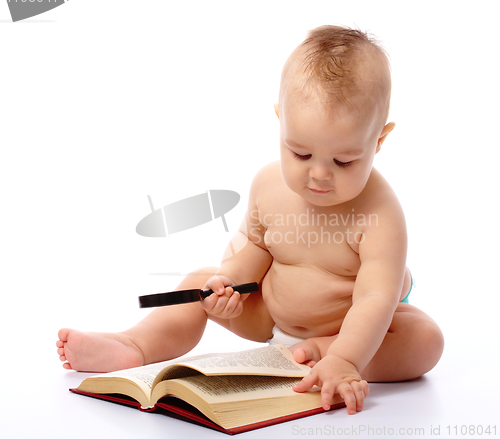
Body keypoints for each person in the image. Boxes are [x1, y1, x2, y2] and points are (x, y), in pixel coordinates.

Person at [56, 25, 444, 415]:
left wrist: (346, 357)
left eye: (344, 161)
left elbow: (374, 299)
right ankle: (135, 345)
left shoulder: (381, 215)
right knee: (197, 283)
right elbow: (255, 245)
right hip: (271, 314)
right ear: (281, 121)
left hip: (350, 329)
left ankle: (323, 356)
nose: (320, 174)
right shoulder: (268, 184)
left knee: (424, 339)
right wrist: (231, 284)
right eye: (300, 153)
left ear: (379, 140)